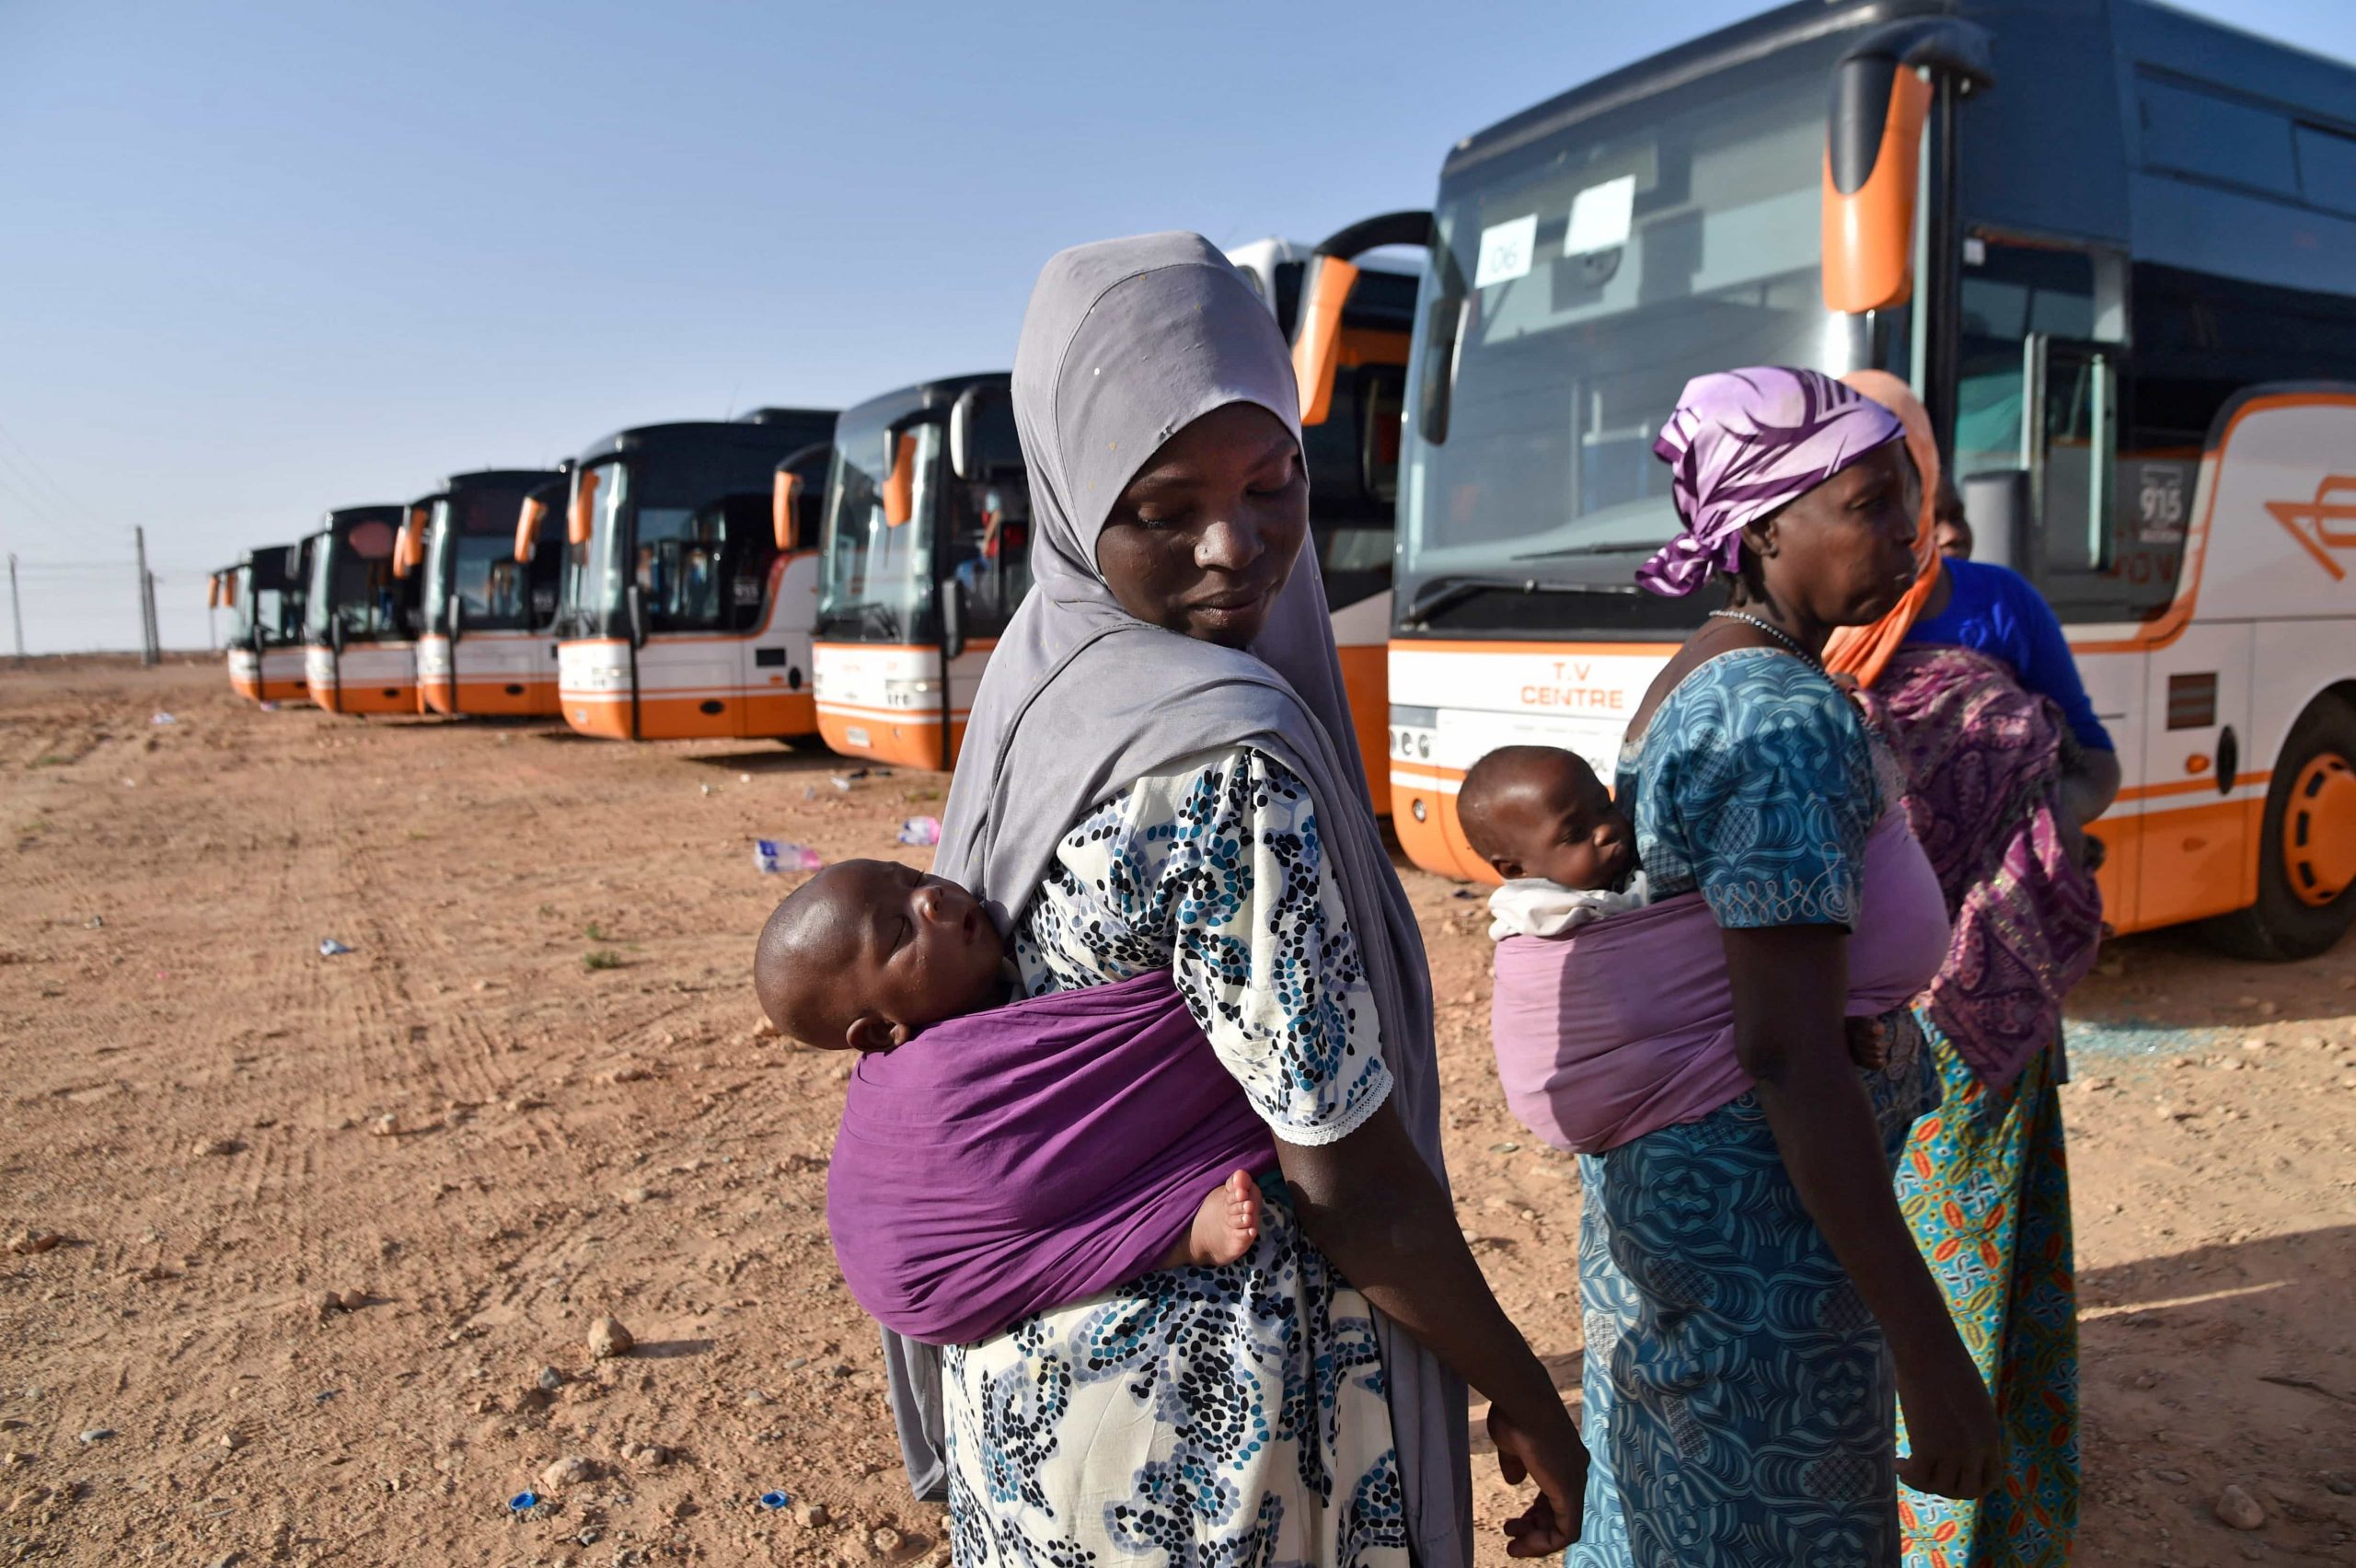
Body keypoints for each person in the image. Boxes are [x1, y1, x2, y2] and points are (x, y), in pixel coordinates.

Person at [879, 232, 1588, 1568]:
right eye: (1161, 507)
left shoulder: (1042, 679)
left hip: (1038, 1410)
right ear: (1077, 497)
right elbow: (1345, 1171)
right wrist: (1526, 1385)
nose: (1232, 544)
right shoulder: (1217, 760)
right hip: (1209, 1447)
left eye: (1273, 483)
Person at [1566, 366, 2001, 1566]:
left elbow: (1745, 977)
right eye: (1867, 500)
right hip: (1764, 1235)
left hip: (1685, 1204)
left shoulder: (1698, 675)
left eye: (1912, 492)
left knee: (1674, 1510)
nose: (1907, 523)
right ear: (1763, 532)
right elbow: (1786, 1049)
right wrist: (1930, 1351)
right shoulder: (1784, 718)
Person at [1830, 371, 2108, 1568]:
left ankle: (1987, 1523)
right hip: (1844, 1004)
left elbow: (2090, 764)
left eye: (1901, 460)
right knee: (1856, 1258)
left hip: (1985, 992)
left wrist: (2003, 812)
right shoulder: (1796, 630)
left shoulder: (1997, 606)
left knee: (1983, 1262)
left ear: (1929, 474)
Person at [753, 858, 1268, 1343]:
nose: (930, 899)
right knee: (1066, 1231)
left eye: (912, 878)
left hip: (956, 1261)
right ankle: (1182, 1239)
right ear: (882, 1031)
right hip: (933, 1272)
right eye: (900, 932)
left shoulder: (1018, 982)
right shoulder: (934, 1086)